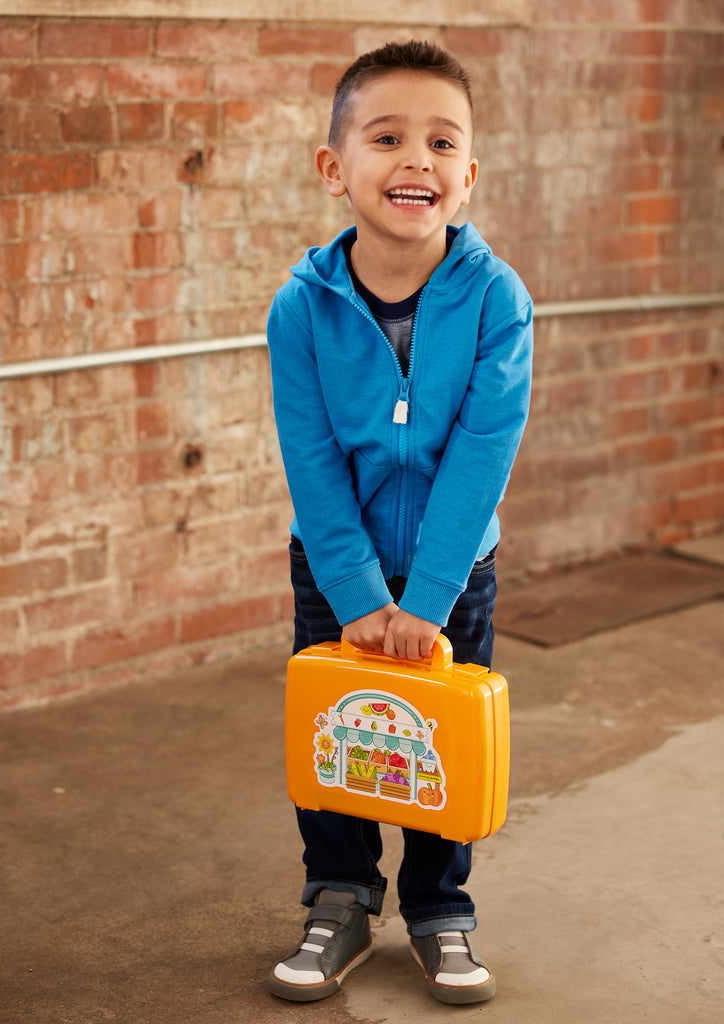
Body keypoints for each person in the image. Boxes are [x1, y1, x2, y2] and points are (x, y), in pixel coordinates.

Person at [265, 39, 533, 1005]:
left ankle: (438, 908)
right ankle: (338, 897)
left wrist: (427, 597)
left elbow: (483, 453)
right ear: (334, 168)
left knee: (439, 748)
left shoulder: (498, 301)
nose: (417, 159)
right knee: (340, 741)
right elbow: (311, 461)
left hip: (453, 576)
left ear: (469, 176)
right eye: (386, 138)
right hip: (334, 571)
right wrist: (355, 594)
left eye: (441, 142)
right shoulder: (300, 311)